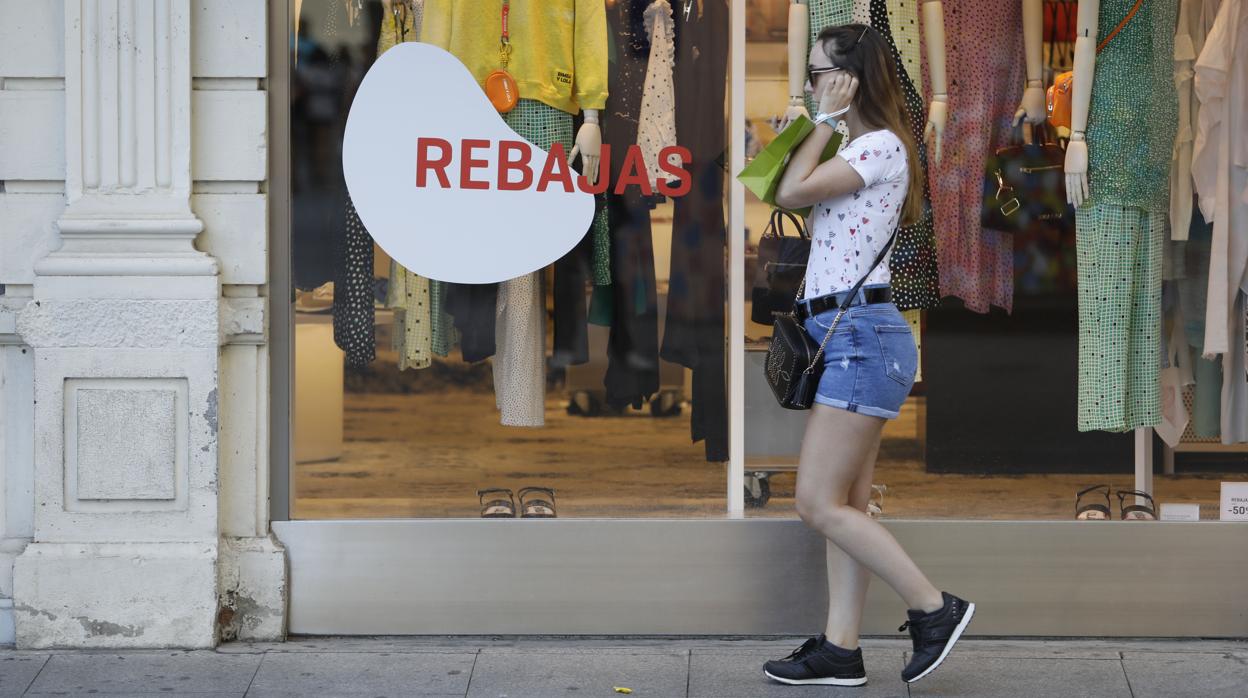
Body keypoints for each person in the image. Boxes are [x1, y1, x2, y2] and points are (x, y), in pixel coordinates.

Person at [766, 23, 975, 687]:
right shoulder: (862, 146)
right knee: (846, 504)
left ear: (850, 78)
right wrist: (821, 124)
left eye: (818, 72)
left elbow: (788, 192)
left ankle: (934, 608)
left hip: (859, 337)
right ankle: (840, 648)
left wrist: (821, 121)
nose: (809, 84)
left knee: (816, 503)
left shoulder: (879, 145)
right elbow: (786, 187)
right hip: (848, 336)